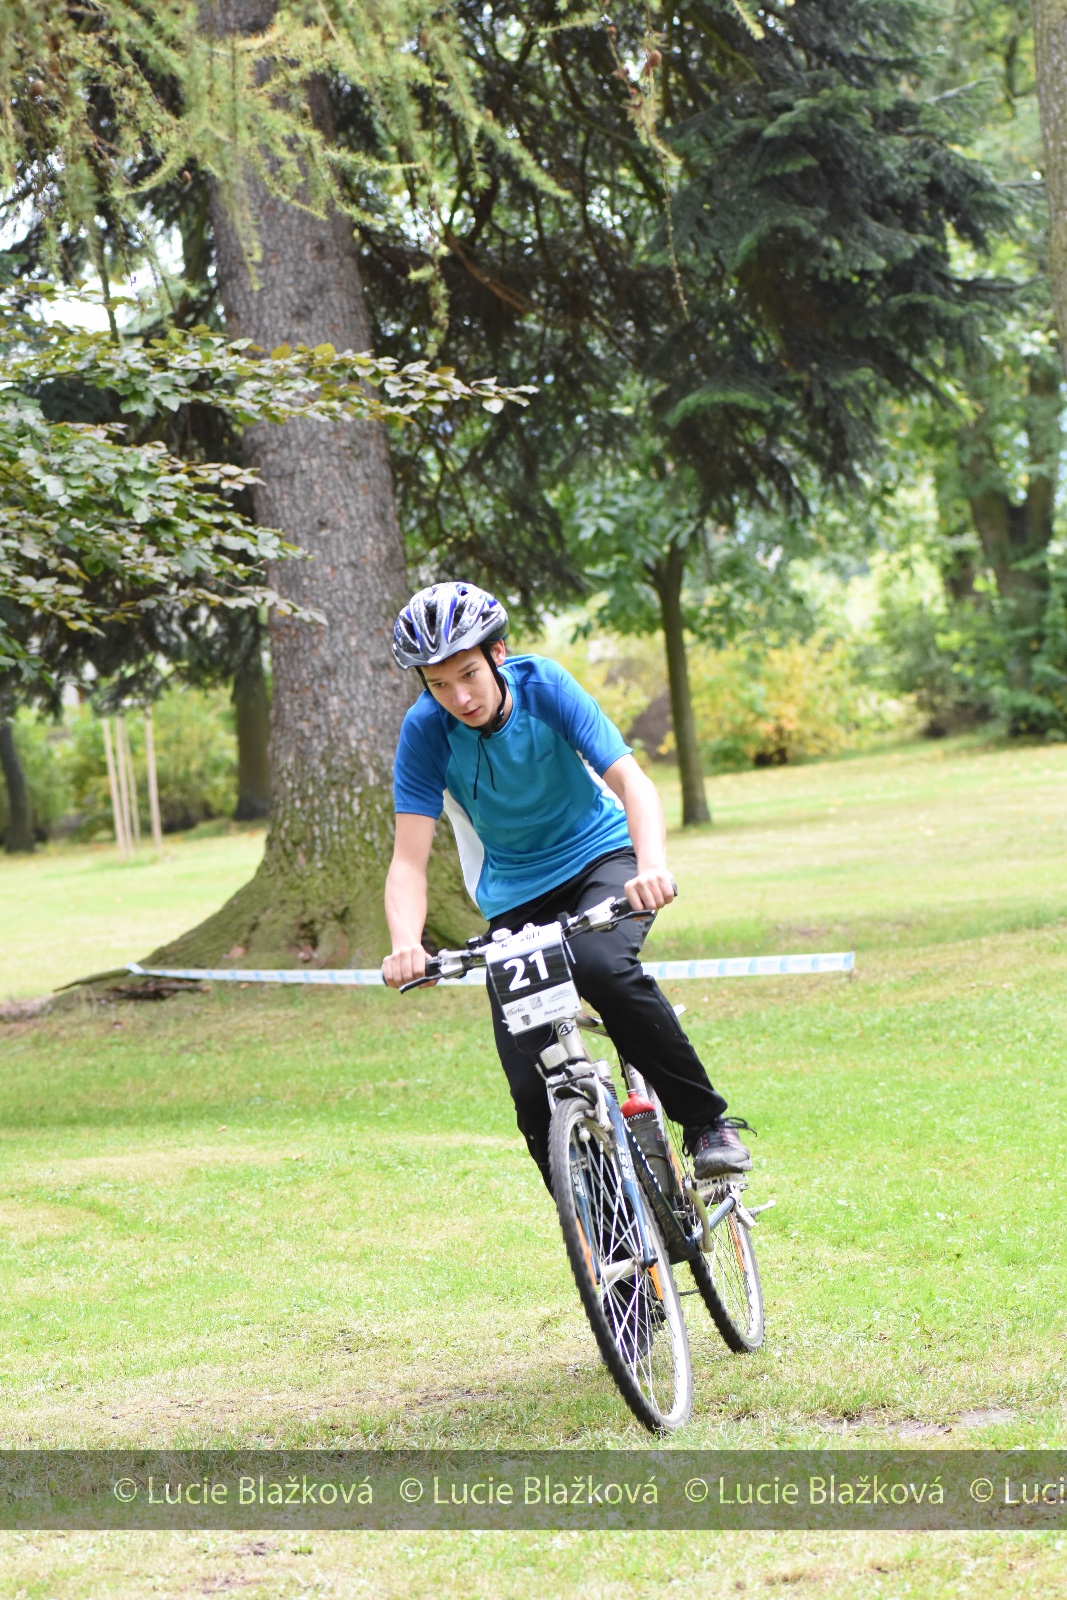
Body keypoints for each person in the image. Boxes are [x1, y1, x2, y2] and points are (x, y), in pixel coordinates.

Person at [381, 580, 753, 1190]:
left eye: (468, 674)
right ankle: (606, 1240)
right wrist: (405, 943)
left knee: (602, 966)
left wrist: (652, 866)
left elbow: (632, 782)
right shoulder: (425, 732)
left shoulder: (544, 686)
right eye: (439, 684)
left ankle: (708, 1124)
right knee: (531, 1089)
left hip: (601, 856)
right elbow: (408, 861)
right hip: (516, 897)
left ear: (497, 653)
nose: (459, 697)